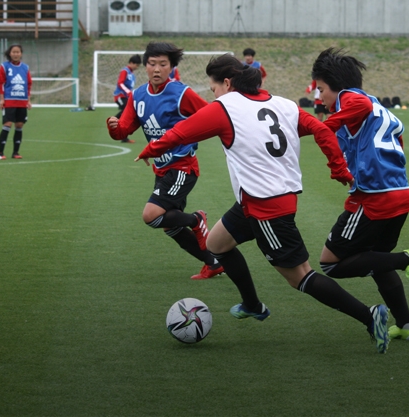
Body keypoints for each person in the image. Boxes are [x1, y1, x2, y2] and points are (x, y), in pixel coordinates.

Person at [136, 54, 391, 353]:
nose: (213, 94)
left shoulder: (225, 107)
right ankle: (252, 304)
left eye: (213, 88)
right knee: (216, 244)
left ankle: (369, 316)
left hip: (266, 207)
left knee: (301, 278)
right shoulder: (283, 104)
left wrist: (149, 150)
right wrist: (339, 169)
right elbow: (322, 129)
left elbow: (181, 133)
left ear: (227, 83)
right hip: (256, 199)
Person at [310, 48, 409, 342]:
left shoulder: (351, 99)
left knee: (331, 263)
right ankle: (407, 325)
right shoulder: (375, 105)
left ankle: (407, 259)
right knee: (375, 260)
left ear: (335, 85)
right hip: (399, 193)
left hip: (374, 199)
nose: (320, 96)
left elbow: (354, 109)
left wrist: (326, 126)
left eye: (321, 89)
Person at [106, 42, 223, 281]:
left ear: (171, 67)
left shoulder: (181, 93)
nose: (156, 69)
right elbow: (124, 130)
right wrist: (114, 128)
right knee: (171, 227)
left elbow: (213, 116)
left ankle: (196, 219)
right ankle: (213, 263)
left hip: (183, 167)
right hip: (162, 169)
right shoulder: (137, 95)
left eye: (163, 64)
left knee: (151, 216)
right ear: (145, 66)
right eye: (152, 64)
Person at [0, 44, 31, 160]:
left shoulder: (25, 68)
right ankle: (0, 153)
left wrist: (28, 100)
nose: (16, 54)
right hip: (9, 100)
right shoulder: (4, 66)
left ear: (21, 54)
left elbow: (28, 84)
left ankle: (15, 152)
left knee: (19, 125)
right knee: (7, 124)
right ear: (9, 53)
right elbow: (0, 82)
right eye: (13, 52)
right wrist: (2, 99)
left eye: (18, 52)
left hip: (21, 101)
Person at [113, 54, 141, 144]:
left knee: (128, 114)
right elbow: (120, 83)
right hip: (120, 96)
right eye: (136, 65)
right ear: (131, 63)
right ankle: (113, 121)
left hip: (126, 96)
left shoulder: (131, 74)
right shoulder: (125, 71)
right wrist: (128, 92)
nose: (137, 67)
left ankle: (123, 136)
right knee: (126, 112)